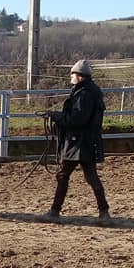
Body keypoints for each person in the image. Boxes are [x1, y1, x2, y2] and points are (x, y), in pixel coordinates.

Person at [44, 59, 110, 223]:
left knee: (63, 175)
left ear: (79, 76)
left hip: (78, 143)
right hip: (85, 142)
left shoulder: (84, 94)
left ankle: (54, 211)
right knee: (90, 177)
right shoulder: (90, 91)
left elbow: (78, 119)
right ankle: (104, 212)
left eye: (73, 74)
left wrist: (58, 118)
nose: (71, 77)